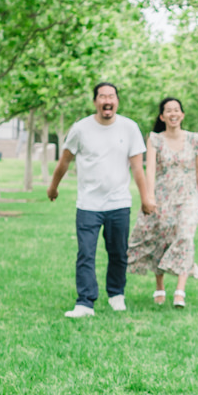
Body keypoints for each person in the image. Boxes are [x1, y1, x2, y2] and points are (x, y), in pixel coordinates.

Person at [46, 83, 155, 318]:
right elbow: (65, 161)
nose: (107, 100)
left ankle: (116, 294)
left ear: (117, 101)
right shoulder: (81, 128)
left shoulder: (129, 128)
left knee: (117, 252)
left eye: (111, 96)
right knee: (86, 253)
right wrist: (53, 186)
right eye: (102, 96)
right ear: (95, 101)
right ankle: (85, 302)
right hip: (88, 204)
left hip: (119, 203)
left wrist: (146, 198)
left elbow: (137, 167)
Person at [126, 96, 198, 307]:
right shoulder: (155, 139)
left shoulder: (194, 139)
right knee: (162, 239)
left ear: (182, 115)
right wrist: (149, 196)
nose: (173, 114)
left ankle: (180, 290)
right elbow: (150, 169)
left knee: (185, 236)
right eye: (168, 111)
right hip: (163, 197)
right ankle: (159, 286)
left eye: (176, 110)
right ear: (162, 116)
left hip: (188, 197)